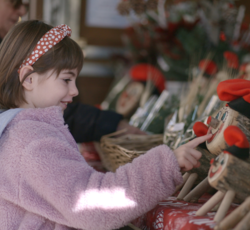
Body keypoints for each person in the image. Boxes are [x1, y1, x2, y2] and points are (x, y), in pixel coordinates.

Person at [0, 20, 211, 229]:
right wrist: (165, 166)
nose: (75, 91)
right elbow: (93, 207)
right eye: (66, 79)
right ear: (28, 79)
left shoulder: (18, 131)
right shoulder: (33, 141)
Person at [0, 0, 145, 143]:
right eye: (15, 2)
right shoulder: (30, 140)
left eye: (24, 3)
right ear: (28, 78)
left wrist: (111, 124)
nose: (22, 10)